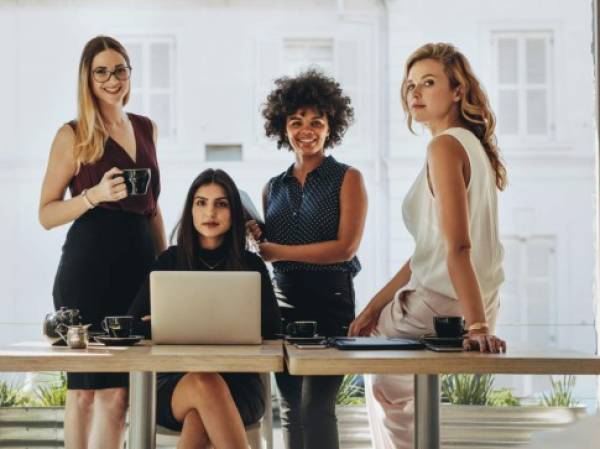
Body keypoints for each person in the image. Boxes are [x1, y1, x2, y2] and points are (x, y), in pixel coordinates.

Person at [348, 42, 507, 449]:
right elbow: (429, 253)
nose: (415, 93)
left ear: (458, 91)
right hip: (472, 298)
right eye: (411, 85)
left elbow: (458, 248)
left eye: (429, 83)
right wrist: (374, 307)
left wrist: (477, 328)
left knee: (386, 388)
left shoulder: (444, 146)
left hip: (443, 303)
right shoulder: (474, 147)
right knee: (398, 387)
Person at [38, 36, 166, 449]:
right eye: (101, 72)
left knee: (119, 394)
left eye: (120, 69)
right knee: (85, 391)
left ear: (130, 73)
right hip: (87, 269)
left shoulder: (146, 127)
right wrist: (93, 196)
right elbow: (46, 213)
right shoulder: (72, 134)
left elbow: (153, 208)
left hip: (138, 270)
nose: (113, 80)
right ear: (88, 79)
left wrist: (164, 268)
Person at [248, 69, 368, 449]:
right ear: (282, 126)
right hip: (283, 305)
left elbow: (344, 248)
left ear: (330, 126)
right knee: (291, 410)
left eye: (316, 122)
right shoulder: (273, 187)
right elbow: (271, 253)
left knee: (317, 408)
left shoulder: (348, 178)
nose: (306, 130)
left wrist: (276, 250)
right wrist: (259, 239)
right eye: (296, 121)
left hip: (332, 303)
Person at [128, 168, 282, 449]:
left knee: (200, 414)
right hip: (175, 384)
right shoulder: (168, 261)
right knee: (204, 383)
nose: (210, 212)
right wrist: (162, 324)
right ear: (191, 210)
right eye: (201, 202)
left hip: (241, 383)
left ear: (234, 212)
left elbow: (273, 330)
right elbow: (131, 322)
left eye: (221, 204)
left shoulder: (251, 265)